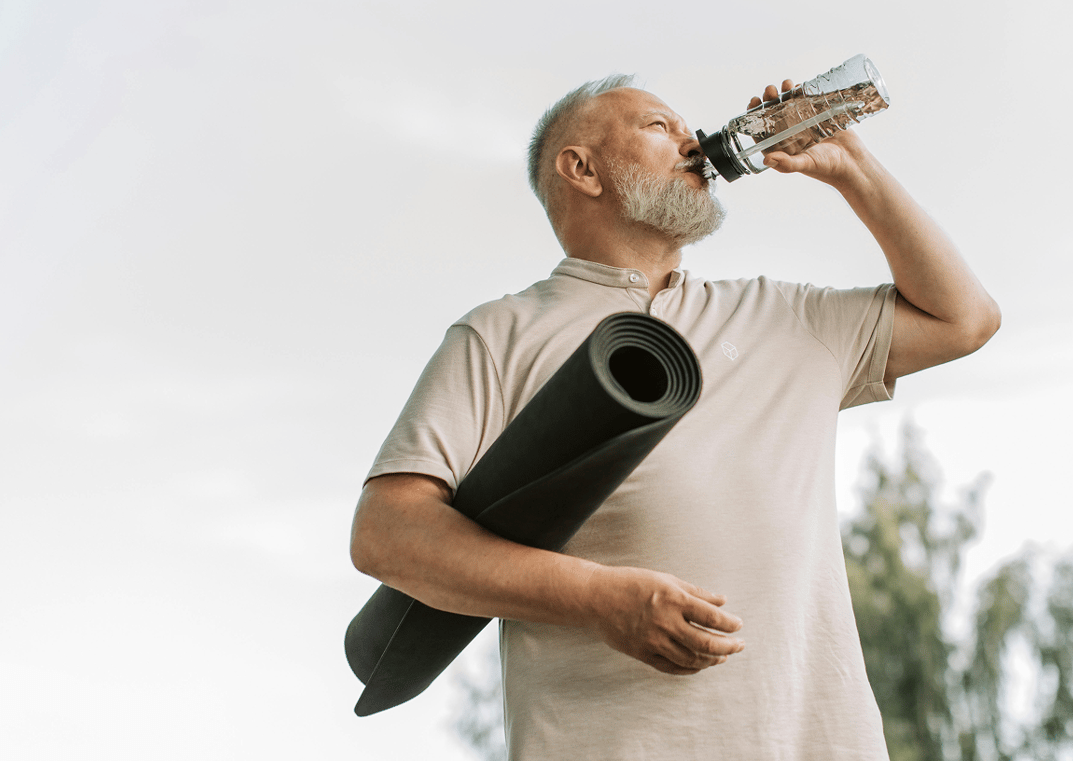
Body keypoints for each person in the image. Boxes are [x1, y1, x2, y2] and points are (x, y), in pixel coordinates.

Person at [349, 73, 1000, 759]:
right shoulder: (501, 334)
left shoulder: (788, 316)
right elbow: (387, 536)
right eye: (659, 126)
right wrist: (599, 598)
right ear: (582, 168)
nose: (692, 138)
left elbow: (964, 318)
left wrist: (853, 169)